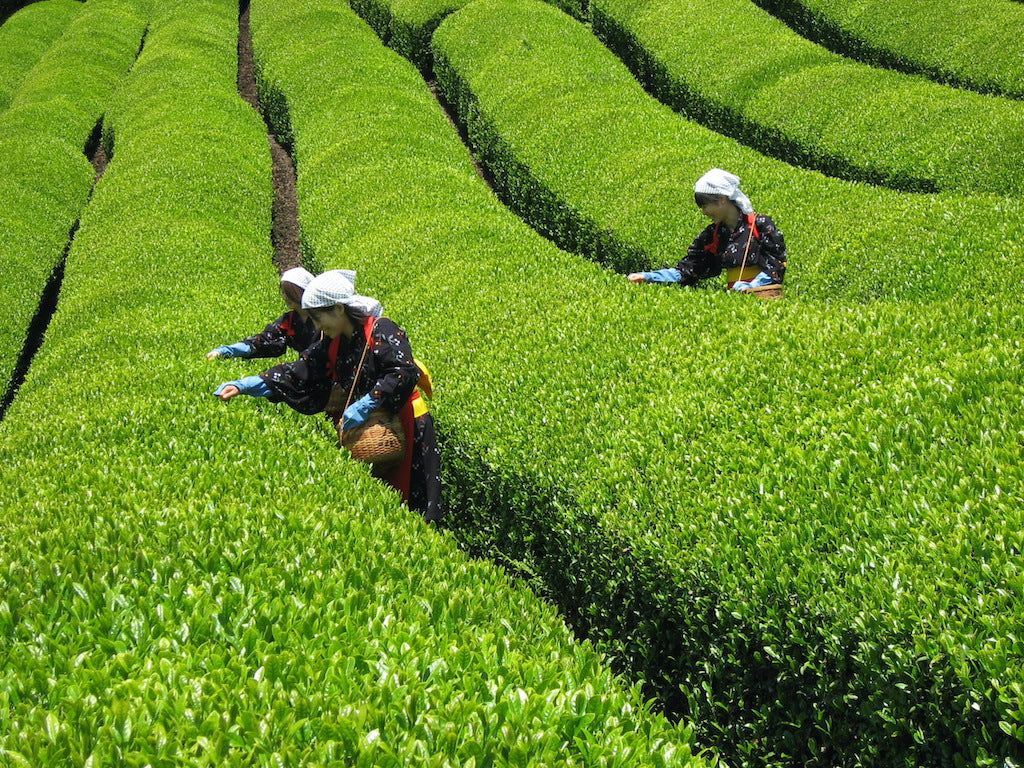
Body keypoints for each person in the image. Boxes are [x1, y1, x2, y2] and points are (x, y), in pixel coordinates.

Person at [212, 270, 442, 524]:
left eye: (319, 318)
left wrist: (368, 402)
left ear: (339, 310)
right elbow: (302, 370)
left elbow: (403, 371)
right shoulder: (333, 341)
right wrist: (248, 385)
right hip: (374, 428)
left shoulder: (381, 329)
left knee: (413, 502)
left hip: (408, 423)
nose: (318, 326)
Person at [628, 168, 786, 291]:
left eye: (705, 205)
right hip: (736, 297)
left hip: (764, 295)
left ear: (722, 199)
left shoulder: (760, 225)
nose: (704, 212)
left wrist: (752, 285)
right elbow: (690, 268)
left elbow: (777, 264)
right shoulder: (713, 235)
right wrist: (649, 277)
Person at [206, 267, 321, 360]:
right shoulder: (290, 320)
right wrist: (229, 351)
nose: (285, 297)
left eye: (289, 293)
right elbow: (267, 339)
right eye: (283, 292)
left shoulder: (324, 320)